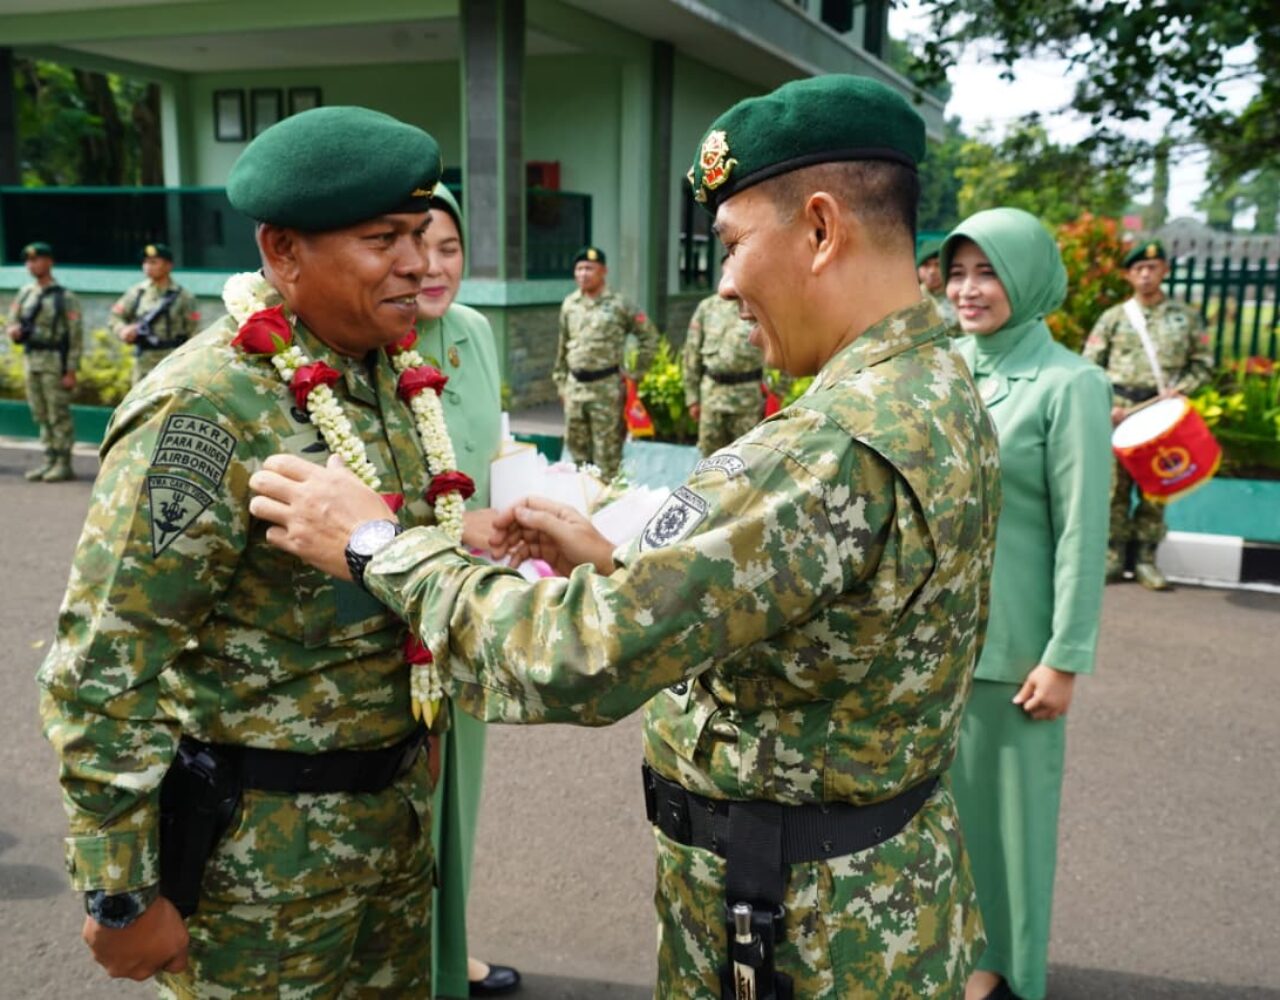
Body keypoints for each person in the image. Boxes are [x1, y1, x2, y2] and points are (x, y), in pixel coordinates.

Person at [249, 74, 1002, 997]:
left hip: (802, 928)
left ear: (819, 228)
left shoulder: (824, 447)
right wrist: (614, 559)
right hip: (881, 890)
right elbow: (811, 610)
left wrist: (375, 544)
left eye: (730, 244)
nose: (723, 284)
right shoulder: (937, 381)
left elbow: (577, 657)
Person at [38, 106, 456, 997]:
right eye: (385, 239)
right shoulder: (205, 409)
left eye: (421, 234)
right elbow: (104, 660)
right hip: (261, 878)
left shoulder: (383, 378)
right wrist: (121, 892)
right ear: (283, 251)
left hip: (393, 838)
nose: (419, 264)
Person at [942, 209, 1112, 1000]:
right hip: (929, 647)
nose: (968, 290)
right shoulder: (942, 367)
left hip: (1015, 651)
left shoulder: (1069, 384)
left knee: (1008, 827)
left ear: (1029, 279)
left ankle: (998, 968)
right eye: (958, 271)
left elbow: (1083, 532)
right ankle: (947, 956)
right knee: (937, 825)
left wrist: (1065, 655)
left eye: (988, 272)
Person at [414, 183, 521, 999]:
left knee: (465, 787)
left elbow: (497, 436)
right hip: (403, 607)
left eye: (449, 247)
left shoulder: (475, 331)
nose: (432, 266)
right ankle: (414, 965)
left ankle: (451, 952)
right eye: (413, 244)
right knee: (411, 793)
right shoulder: (361, 338)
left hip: (475, 603)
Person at [1083, 240, 1212, 590]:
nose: (1145, 274)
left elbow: (1203, 365)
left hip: (1161, 416)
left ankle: (1145, 560)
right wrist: (1106, 403)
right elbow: (1089, 367)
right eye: (1138, 269)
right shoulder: (1114, 318)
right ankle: (1112, 556)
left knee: (1156, 488)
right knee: (1114, 490)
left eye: (1152, 268)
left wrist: (1181, 389)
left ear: (1164, 271)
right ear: (1128, 275)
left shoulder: (1185, 318)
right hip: (1120, 413)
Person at [552, 246, 658, 479]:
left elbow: (648, 337)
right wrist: (561, 382)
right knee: (577, 457)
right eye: (579, 269)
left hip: (606, 391)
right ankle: (581, 505)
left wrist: (636, 373)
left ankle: (607, 509)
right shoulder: (570, 304)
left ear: (604, 271)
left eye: (589, 268)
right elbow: (563, 346)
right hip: (575, 389)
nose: (583, 274)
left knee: (606, 459)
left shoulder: (620, 304)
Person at [4, 241, 83, 482]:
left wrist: (71, 369)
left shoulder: (64, 297)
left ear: (49, 262)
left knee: (58, 413)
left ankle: (64, 462)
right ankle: (49, 459)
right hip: (32, 359)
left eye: (36, 259)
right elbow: (11, 320)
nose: (31, 264)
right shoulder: (26, 293)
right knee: (40, 413)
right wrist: (14, 330)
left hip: (54, 362)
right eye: (28, 260)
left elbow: (75, 335)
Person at [682, 292, 785, 457]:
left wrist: (778, 392)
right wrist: (692, 397)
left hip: (747, 402)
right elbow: (691, 353)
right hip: (712, 399)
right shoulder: (707, 307)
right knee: (709, 461)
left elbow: (783, 350)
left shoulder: (759, 306)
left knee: (746, 460)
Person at [109, 243, 202, 385]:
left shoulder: (184, 297)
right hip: (143, 363)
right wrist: (123, 330)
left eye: (153, 262)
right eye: (145, 262)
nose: (147, 266)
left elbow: (195, 332)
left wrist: (190, 364)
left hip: (172, 362)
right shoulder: (137, 292)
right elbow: (115, 317)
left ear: (168, 266)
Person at [917, 238, 958, 330]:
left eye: (937, 264)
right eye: (926, 265)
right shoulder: (913, 297)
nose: (932, 271)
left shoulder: (960, 294)